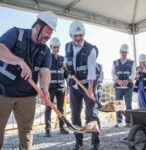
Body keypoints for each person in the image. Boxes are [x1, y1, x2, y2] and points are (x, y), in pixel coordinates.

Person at [0, 11, 57, 149]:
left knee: (26, 132)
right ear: (37, 27)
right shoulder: (16, 33)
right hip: (3, 92)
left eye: (51, 33)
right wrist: (19, 61)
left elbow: (45, 71)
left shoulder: (46, 51)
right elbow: (0, 49)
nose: (49, 36)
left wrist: (44, 89)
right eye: (47, 32)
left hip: (28, 96)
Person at [64, 20, 100, 150]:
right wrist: (66, 67)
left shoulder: (91, 49)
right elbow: (66, 61)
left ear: (84, 34)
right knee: (75, 114)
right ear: (71, 35)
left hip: (87, 85)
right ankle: (78, 142)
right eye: (75, 36)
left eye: (81, 35)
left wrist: (90, 90)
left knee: (91, 114)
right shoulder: (67, 46)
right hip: (74, 86)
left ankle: (95, 141)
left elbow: (91, 72)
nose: (78, 38)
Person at [44, 37, 69, 137]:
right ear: (51, 47)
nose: (56, 49)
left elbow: (66, 74)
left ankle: (62, 127)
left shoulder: (63, 59)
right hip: (50, 88)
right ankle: (48, 130)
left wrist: (68, 87)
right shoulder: (47, 58)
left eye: (57, 47)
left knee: (60, 109)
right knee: (48, 108)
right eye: (54, 47)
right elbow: (43, 73)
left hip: (61, 88)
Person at [111, 44, 136, 127]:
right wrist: (117, 80)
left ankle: (129, 121)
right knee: (118, 104)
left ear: (127, 53)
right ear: (120, 52)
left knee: (128, 104)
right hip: (118, 87)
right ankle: (119, 121)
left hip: (128, 87)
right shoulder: (115, 62)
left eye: (125, 52)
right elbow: (112, 73)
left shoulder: (132, 62)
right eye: (122, 52)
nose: (124, 54)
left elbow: (134, 74)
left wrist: (128, 80)